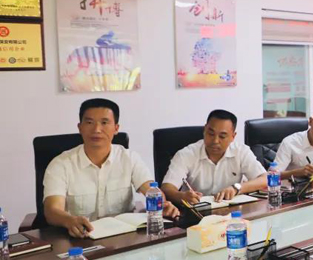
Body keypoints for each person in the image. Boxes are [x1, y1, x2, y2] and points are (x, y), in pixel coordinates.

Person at [43, 98, 180, 238]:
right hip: (79, 237)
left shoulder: (130, 158)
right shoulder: (61, 164)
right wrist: (69, 221)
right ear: (80, 127)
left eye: (104, 123)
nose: (96, 130)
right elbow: (52, 210)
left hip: (123, 237)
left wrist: (162, 204)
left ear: (116, 128)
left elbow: (151, 189)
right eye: (89, 122)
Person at [162, 110, 267, 205]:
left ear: (233, 137)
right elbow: (167, 187)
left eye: (222, 136)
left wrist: (236, 188)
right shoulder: (186, 154)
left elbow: (264, 179)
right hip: (196, 211)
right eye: (211, 134)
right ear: (204, 130)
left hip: (231, 211)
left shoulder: (241, 151)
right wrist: (182, 196)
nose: (215, 141)